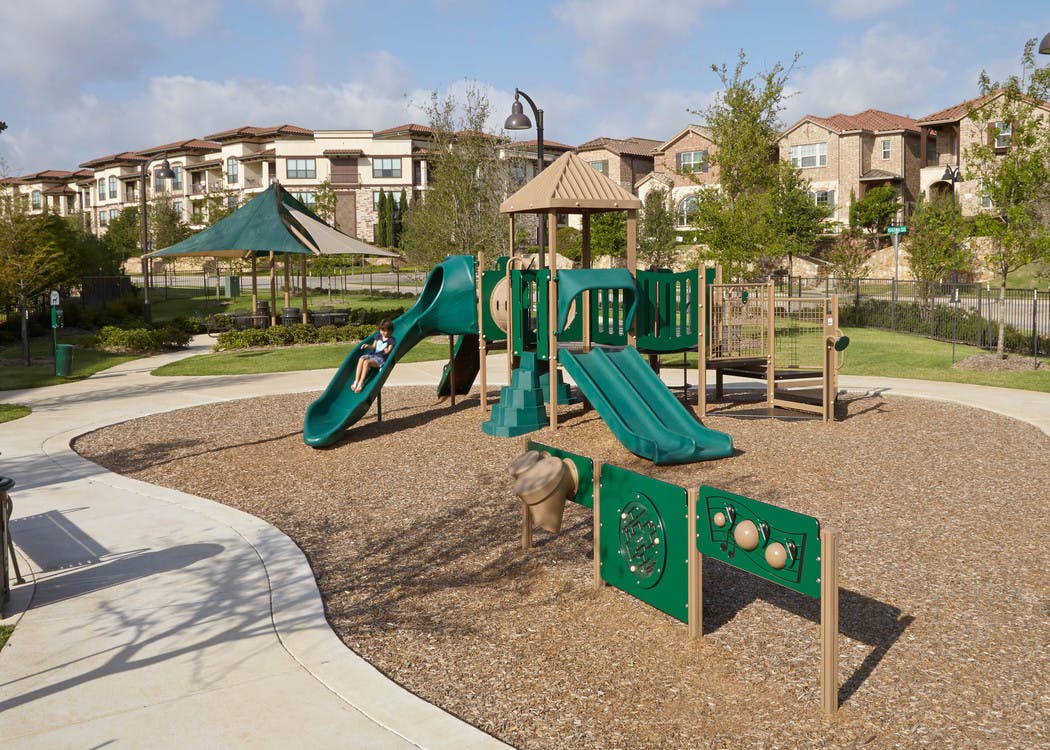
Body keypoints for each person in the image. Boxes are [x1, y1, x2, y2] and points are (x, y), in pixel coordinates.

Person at [351, 319, 395, 393]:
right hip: (372, 355)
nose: (384, 333)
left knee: (366, 363)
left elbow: (388, 352)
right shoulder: (378, 336)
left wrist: (386, 349)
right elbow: (374, 347)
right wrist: (367, 345)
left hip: (380, 359)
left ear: (391, 331)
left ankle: (361, 382)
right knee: (361, 359)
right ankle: (356, 381)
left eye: (386, 331)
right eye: (382, 330)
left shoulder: (391, 340)